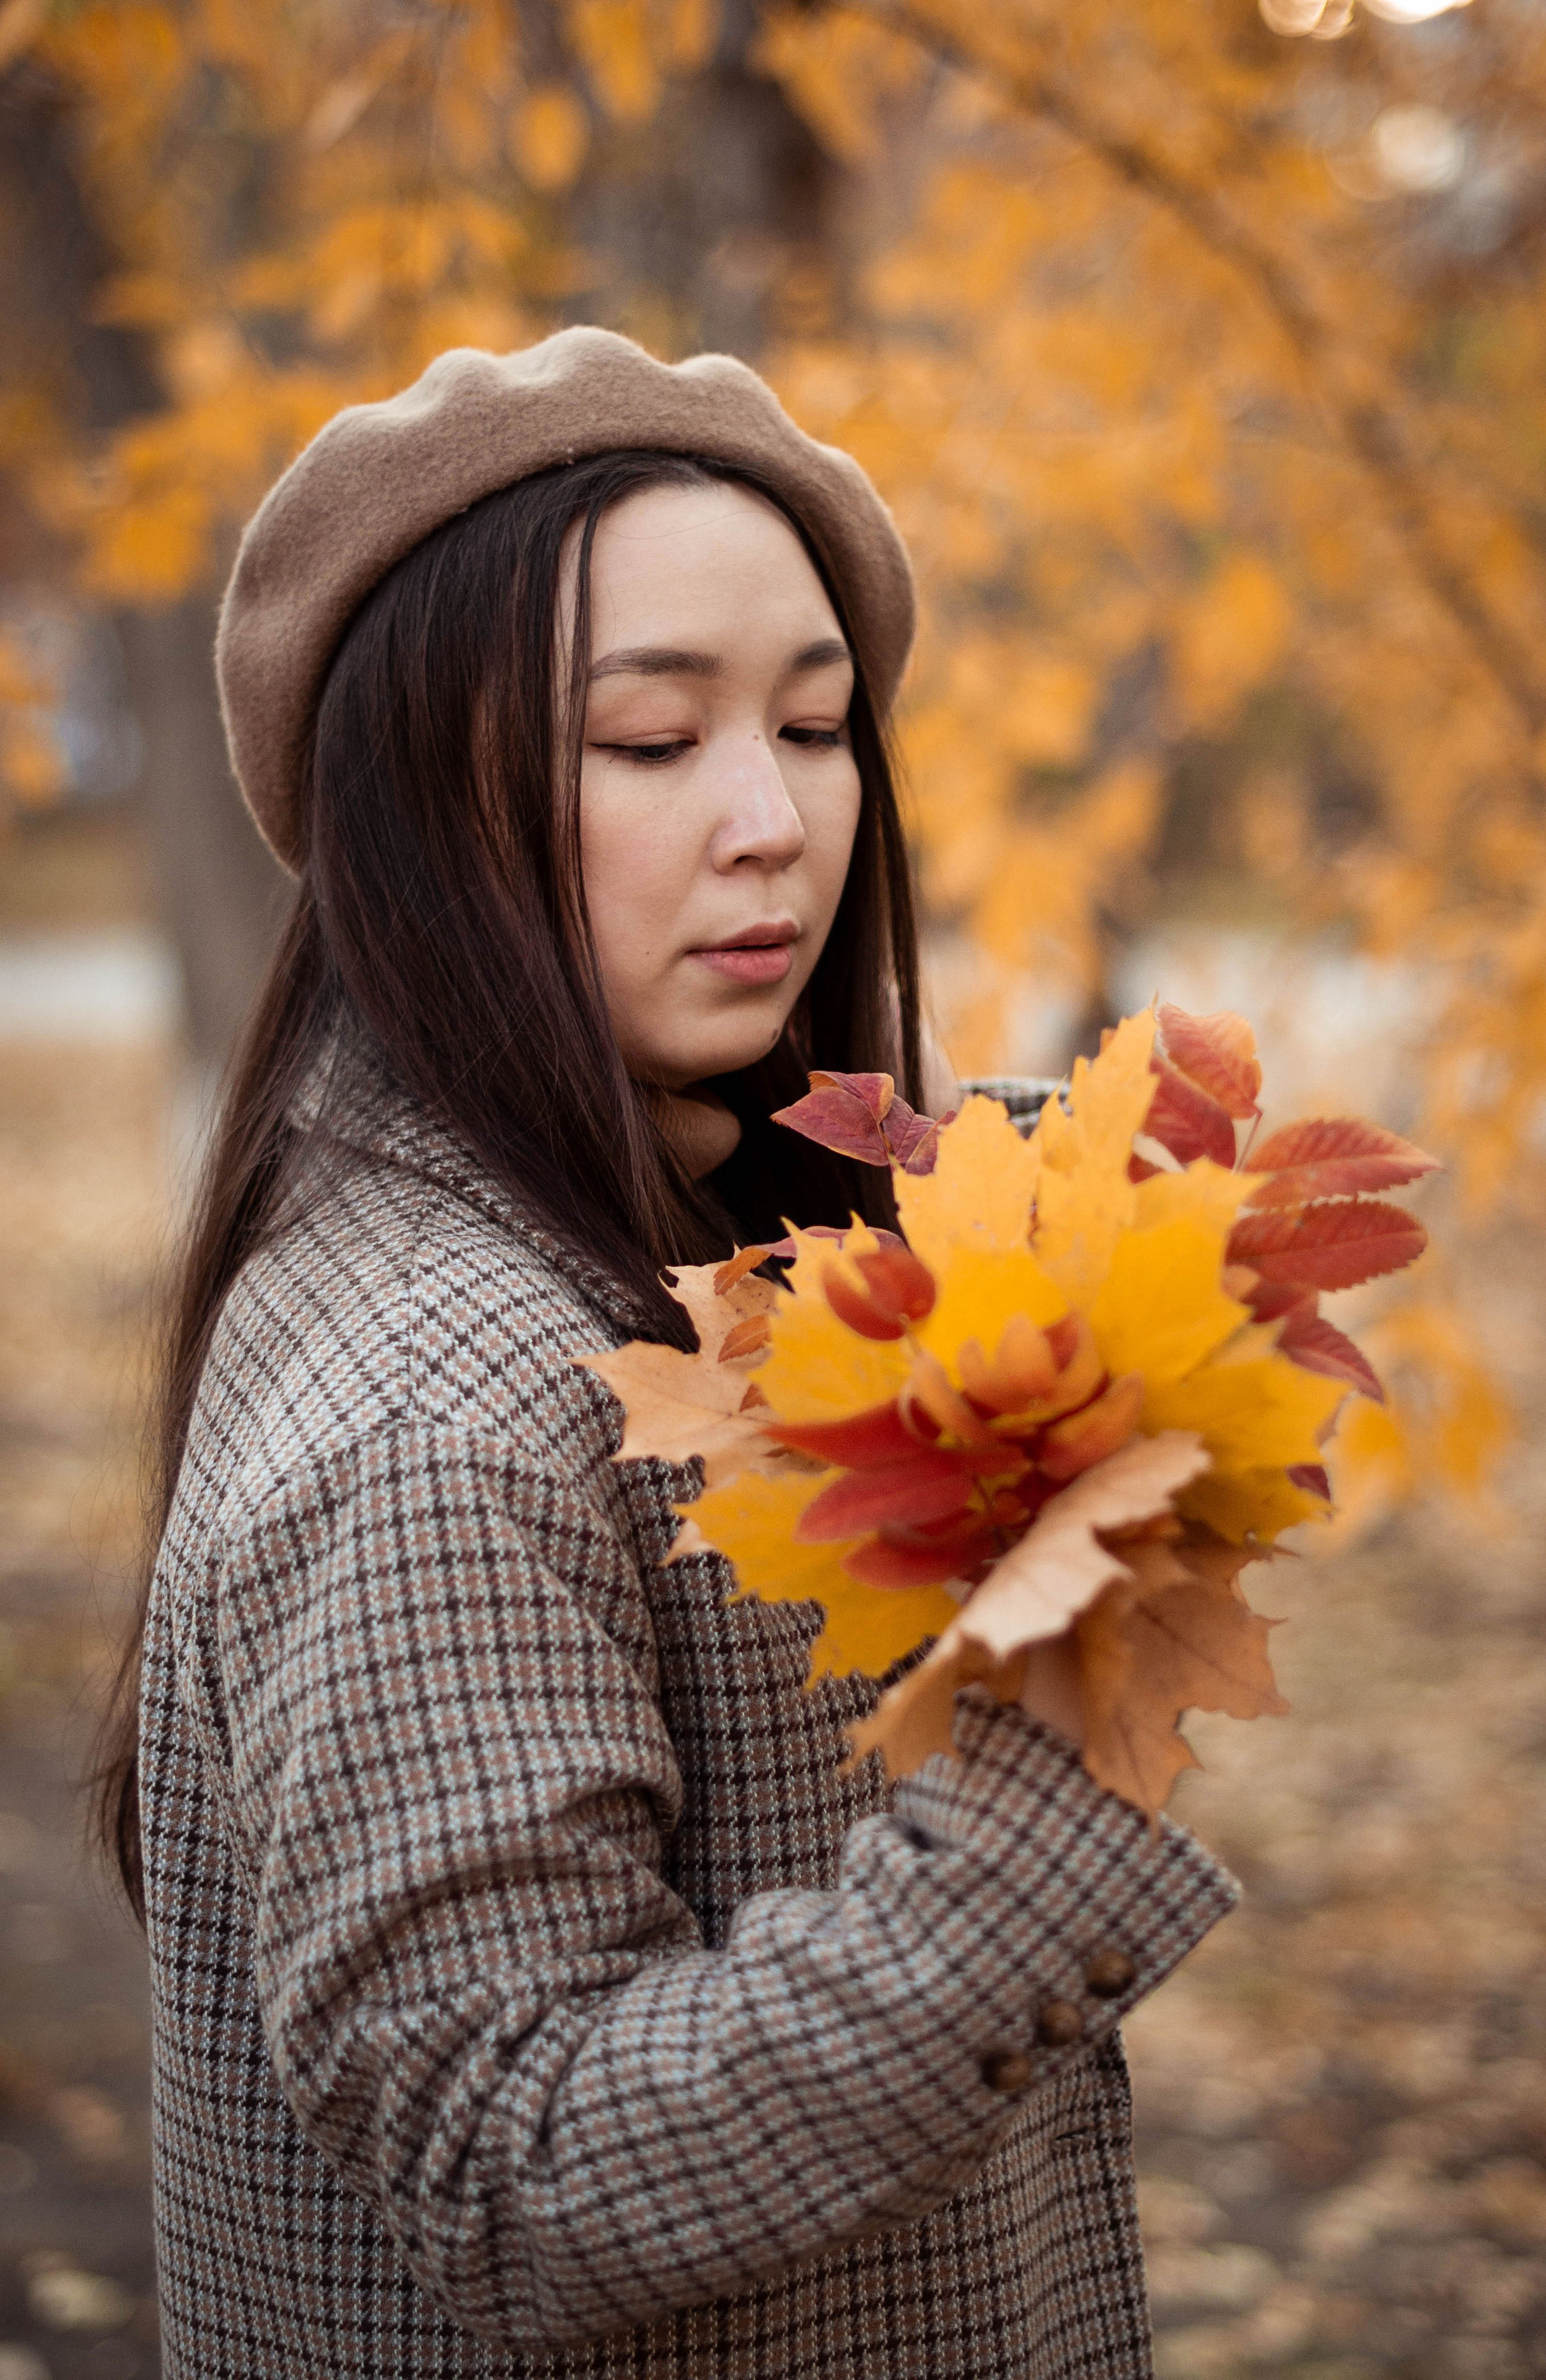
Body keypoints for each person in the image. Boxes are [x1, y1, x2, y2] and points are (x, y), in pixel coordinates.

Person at [98, 327, 1237, 2379]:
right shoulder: (439, 1410)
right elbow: (516, 2175)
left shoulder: (724, 1216)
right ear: (414, 813)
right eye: (649, 741)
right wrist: (1054, 1796)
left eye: (816, 729)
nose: (774, 822)